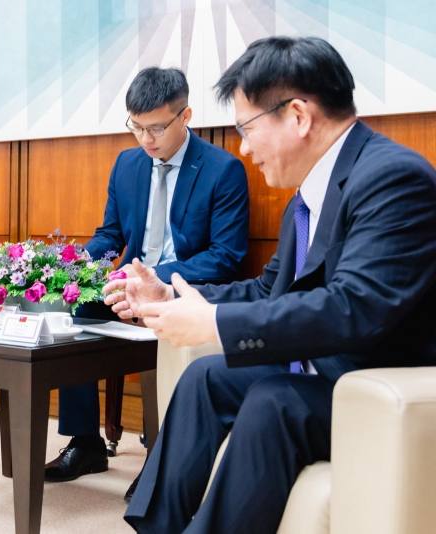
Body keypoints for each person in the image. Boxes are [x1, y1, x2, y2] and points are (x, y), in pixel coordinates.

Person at [104, 36, 436, 533]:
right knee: (205, 378)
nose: (243, 147)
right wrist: (170, 296)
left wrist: (215, 323)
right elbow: (268, 290)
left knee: (272, 400)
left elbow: (353, 307)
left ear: (298, 116)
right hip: (321, 368)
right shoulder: (308, 195)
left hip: (366, 380)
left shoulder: (393, 179)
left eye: (247, 128)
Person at [45, 67, 250, 490]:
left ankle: (161, 458)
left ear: (185, 115)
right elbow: (111, 235)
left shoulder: (222, 169)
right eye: (136, 127)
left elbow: (225, 256)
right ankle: (85, 443)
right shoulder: (127, 164)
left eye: (156, 128)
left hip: (181, 289)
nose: (146, 139)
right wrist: (76, 267)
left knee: (166, 314)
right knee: (75, 310)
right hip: (130, 284)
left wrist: (156, 278)